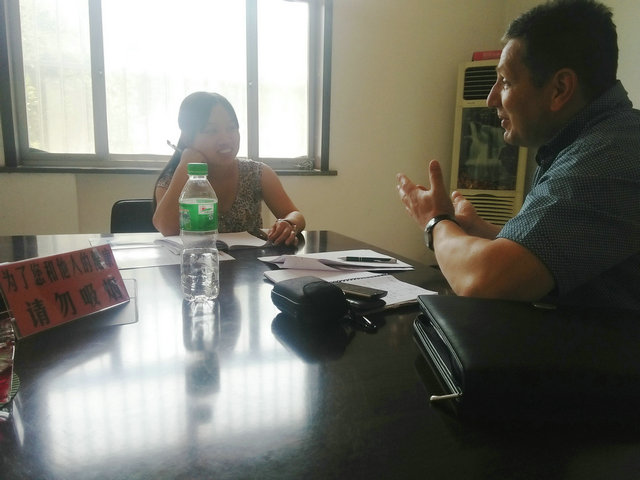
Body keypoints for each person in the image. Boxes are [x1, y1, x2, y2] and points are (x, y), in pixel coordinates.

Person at [397, 0, 640, 310]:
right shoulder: (593, 140)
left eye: (506, 81)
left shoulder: (610, 155)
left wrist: (435, 222)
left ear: (560, 89)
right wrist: (479, 231)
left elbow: (486, 282)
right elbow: (555, 252)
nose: (491, 99)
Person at [153, 92, 305, 246]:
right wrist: (185, 166)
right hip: (199, 259)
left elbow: (295, 214)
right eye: (211, 131)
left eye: (231, 128)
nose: (225, 139)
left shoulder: (256, 173)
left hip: (251, 261)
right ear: (187, 138)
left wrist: (288, 223)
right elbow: (166, 228)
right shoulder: (172, 179)